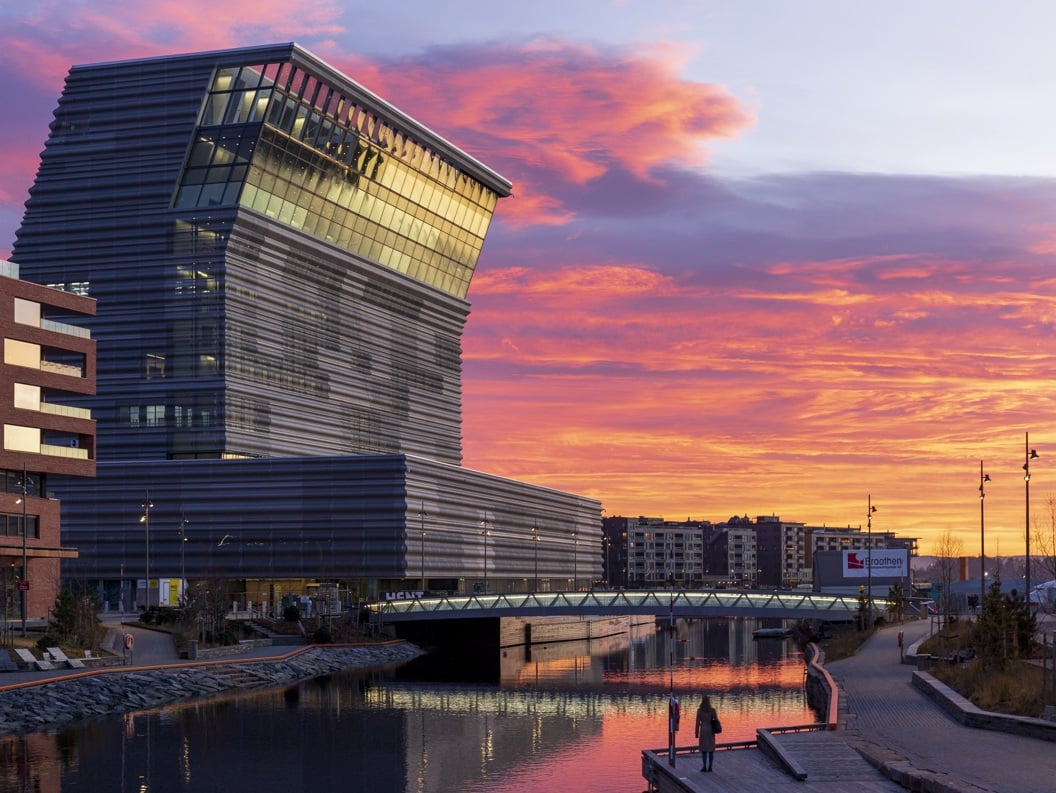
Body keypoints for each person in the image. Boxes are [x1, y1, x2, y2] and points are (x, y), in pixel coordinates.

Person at [694, 696, 719, 772]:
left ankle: (704, 766)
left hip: (703, 730)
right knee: (711, 750)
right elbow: (716, 720)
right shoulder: (712, 710)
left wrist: (696, 732)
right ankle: (710, 766)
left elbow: (697, 723)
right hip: (710, 730)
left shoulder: (699, 711)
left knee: (704, 750)